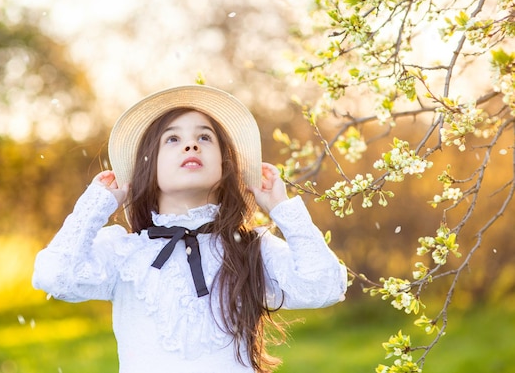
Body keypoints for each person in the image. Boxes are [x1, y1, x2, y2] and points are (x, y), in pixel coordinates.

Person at [32, 85, 347, 373]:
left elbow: (323, 286)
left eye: (204, 137)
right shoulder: (125, 250)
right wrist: (94, 206)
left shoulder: (251, 246)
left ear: (225, 166)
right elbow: (55, 276)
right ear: (147, 168)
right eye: (172, 139)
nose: (191, 146)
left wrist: (282, 209)